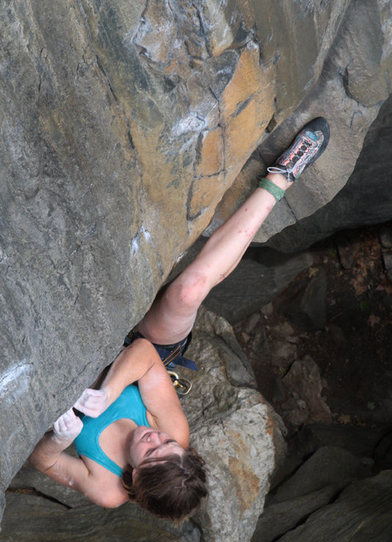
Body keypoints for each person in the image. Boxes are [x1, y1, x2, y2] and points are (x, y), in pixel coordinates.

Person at [29, 117, 330, 520]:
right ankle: (283, 177)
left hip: (83, 376)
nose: (156, 438)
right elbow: (143, 353)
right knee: (189, 291)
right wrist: (106, 393)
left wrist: (57, 440)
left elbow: (42, 462)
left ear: (135, 478)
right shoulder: (176, 434)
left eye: (151, 452)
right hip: (141, 353)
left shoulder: (106, 487)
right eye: (167, 445)